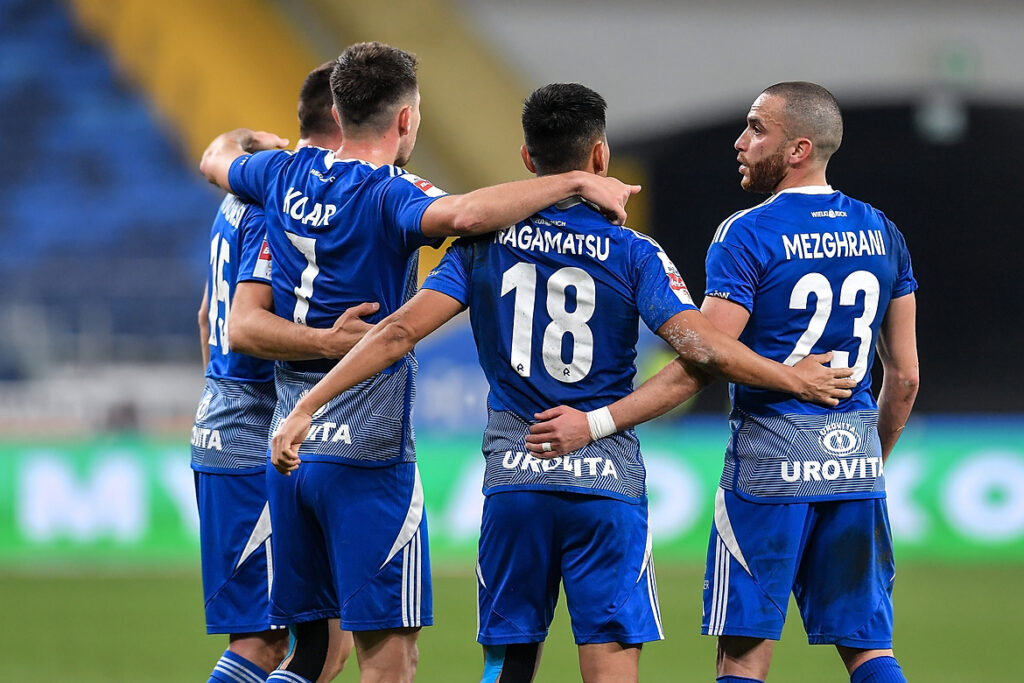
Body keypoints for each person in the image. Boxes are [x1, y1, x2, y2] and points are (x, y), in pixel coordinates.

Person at [267, 82, 855, 683]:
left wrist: (308, 404)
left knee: (508, 666)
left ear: (528, 159)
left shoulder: (481, 246)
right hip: (607, 484)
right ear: (600, 155)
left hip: (516, 480)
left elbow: (396, 333)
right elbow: (703, 349)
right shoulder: (636, 253)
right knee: (610, 668)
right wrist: (792, 379)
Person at [198, 44, 641, 683]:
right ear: (405, 120)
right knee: (389, 660)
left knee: (311, 654)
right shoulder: (390, 193)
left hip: (291, 444)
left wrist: (243, 139)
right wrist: (575, 182)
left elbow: (215, 159)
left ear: (337, 113)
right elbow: (465, 214)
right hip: (368, 454)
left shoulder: (279, 173)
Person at [529, 82, 919, 683]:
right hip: (854, 466)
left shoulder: (748, 233)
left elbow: (704, 358)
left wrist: (598, 422)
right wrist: (868, 460)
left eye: (757, 129)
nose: (740, 142)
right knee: (869, 650)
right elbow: (906, 377)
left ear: (798, 149)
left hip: (768, 467)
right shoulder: (883, 232)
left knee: (744, 656)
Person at [193, 61, 361, 683]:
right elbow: (241, 327)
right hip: (250, 438)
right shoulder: (282, 203)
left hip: (223, 425)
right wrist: (327, 342)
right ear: (343, 120)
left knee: (316, 641)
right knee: (277, 644)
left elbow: (207, 317)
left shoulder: (240, 194)